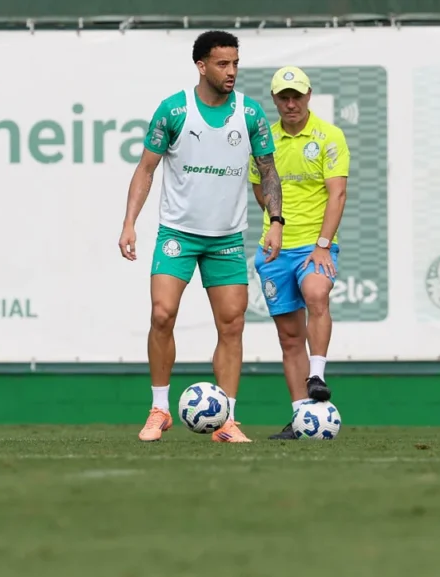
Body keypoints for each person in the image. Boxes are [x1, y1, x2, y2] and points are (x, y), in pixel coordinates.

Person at [117, 30, 284, 443]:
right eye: (223, 64)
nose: (231, 71)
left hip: (226, 238)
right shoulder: (174, 111)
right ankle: (159, 409)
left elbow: (268, 171)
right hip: (178, 233)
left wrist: (276, 221)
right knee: (162, 314)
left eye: (235, 63)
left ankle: (227, 421)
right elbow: (146, 169)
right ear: (201, 65)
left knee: (232, 324)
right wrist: (129, 222)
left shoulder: (250, 114)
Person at [248, 66, 350, 440]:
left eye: (297, 96)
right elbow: (260, 189)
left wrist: (323, 244)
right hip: (276, 249)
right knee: (290, 339)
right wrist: (276, 223)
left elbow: (337, 193)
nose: (291, 103)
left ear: (308, 95)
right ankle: (300, 418)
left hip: (314, 245)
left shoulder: (329, 136)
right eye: (284, 97)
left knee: (316, 293)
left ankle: (317, 376)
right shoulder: (265, 140)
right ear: (274, 99)